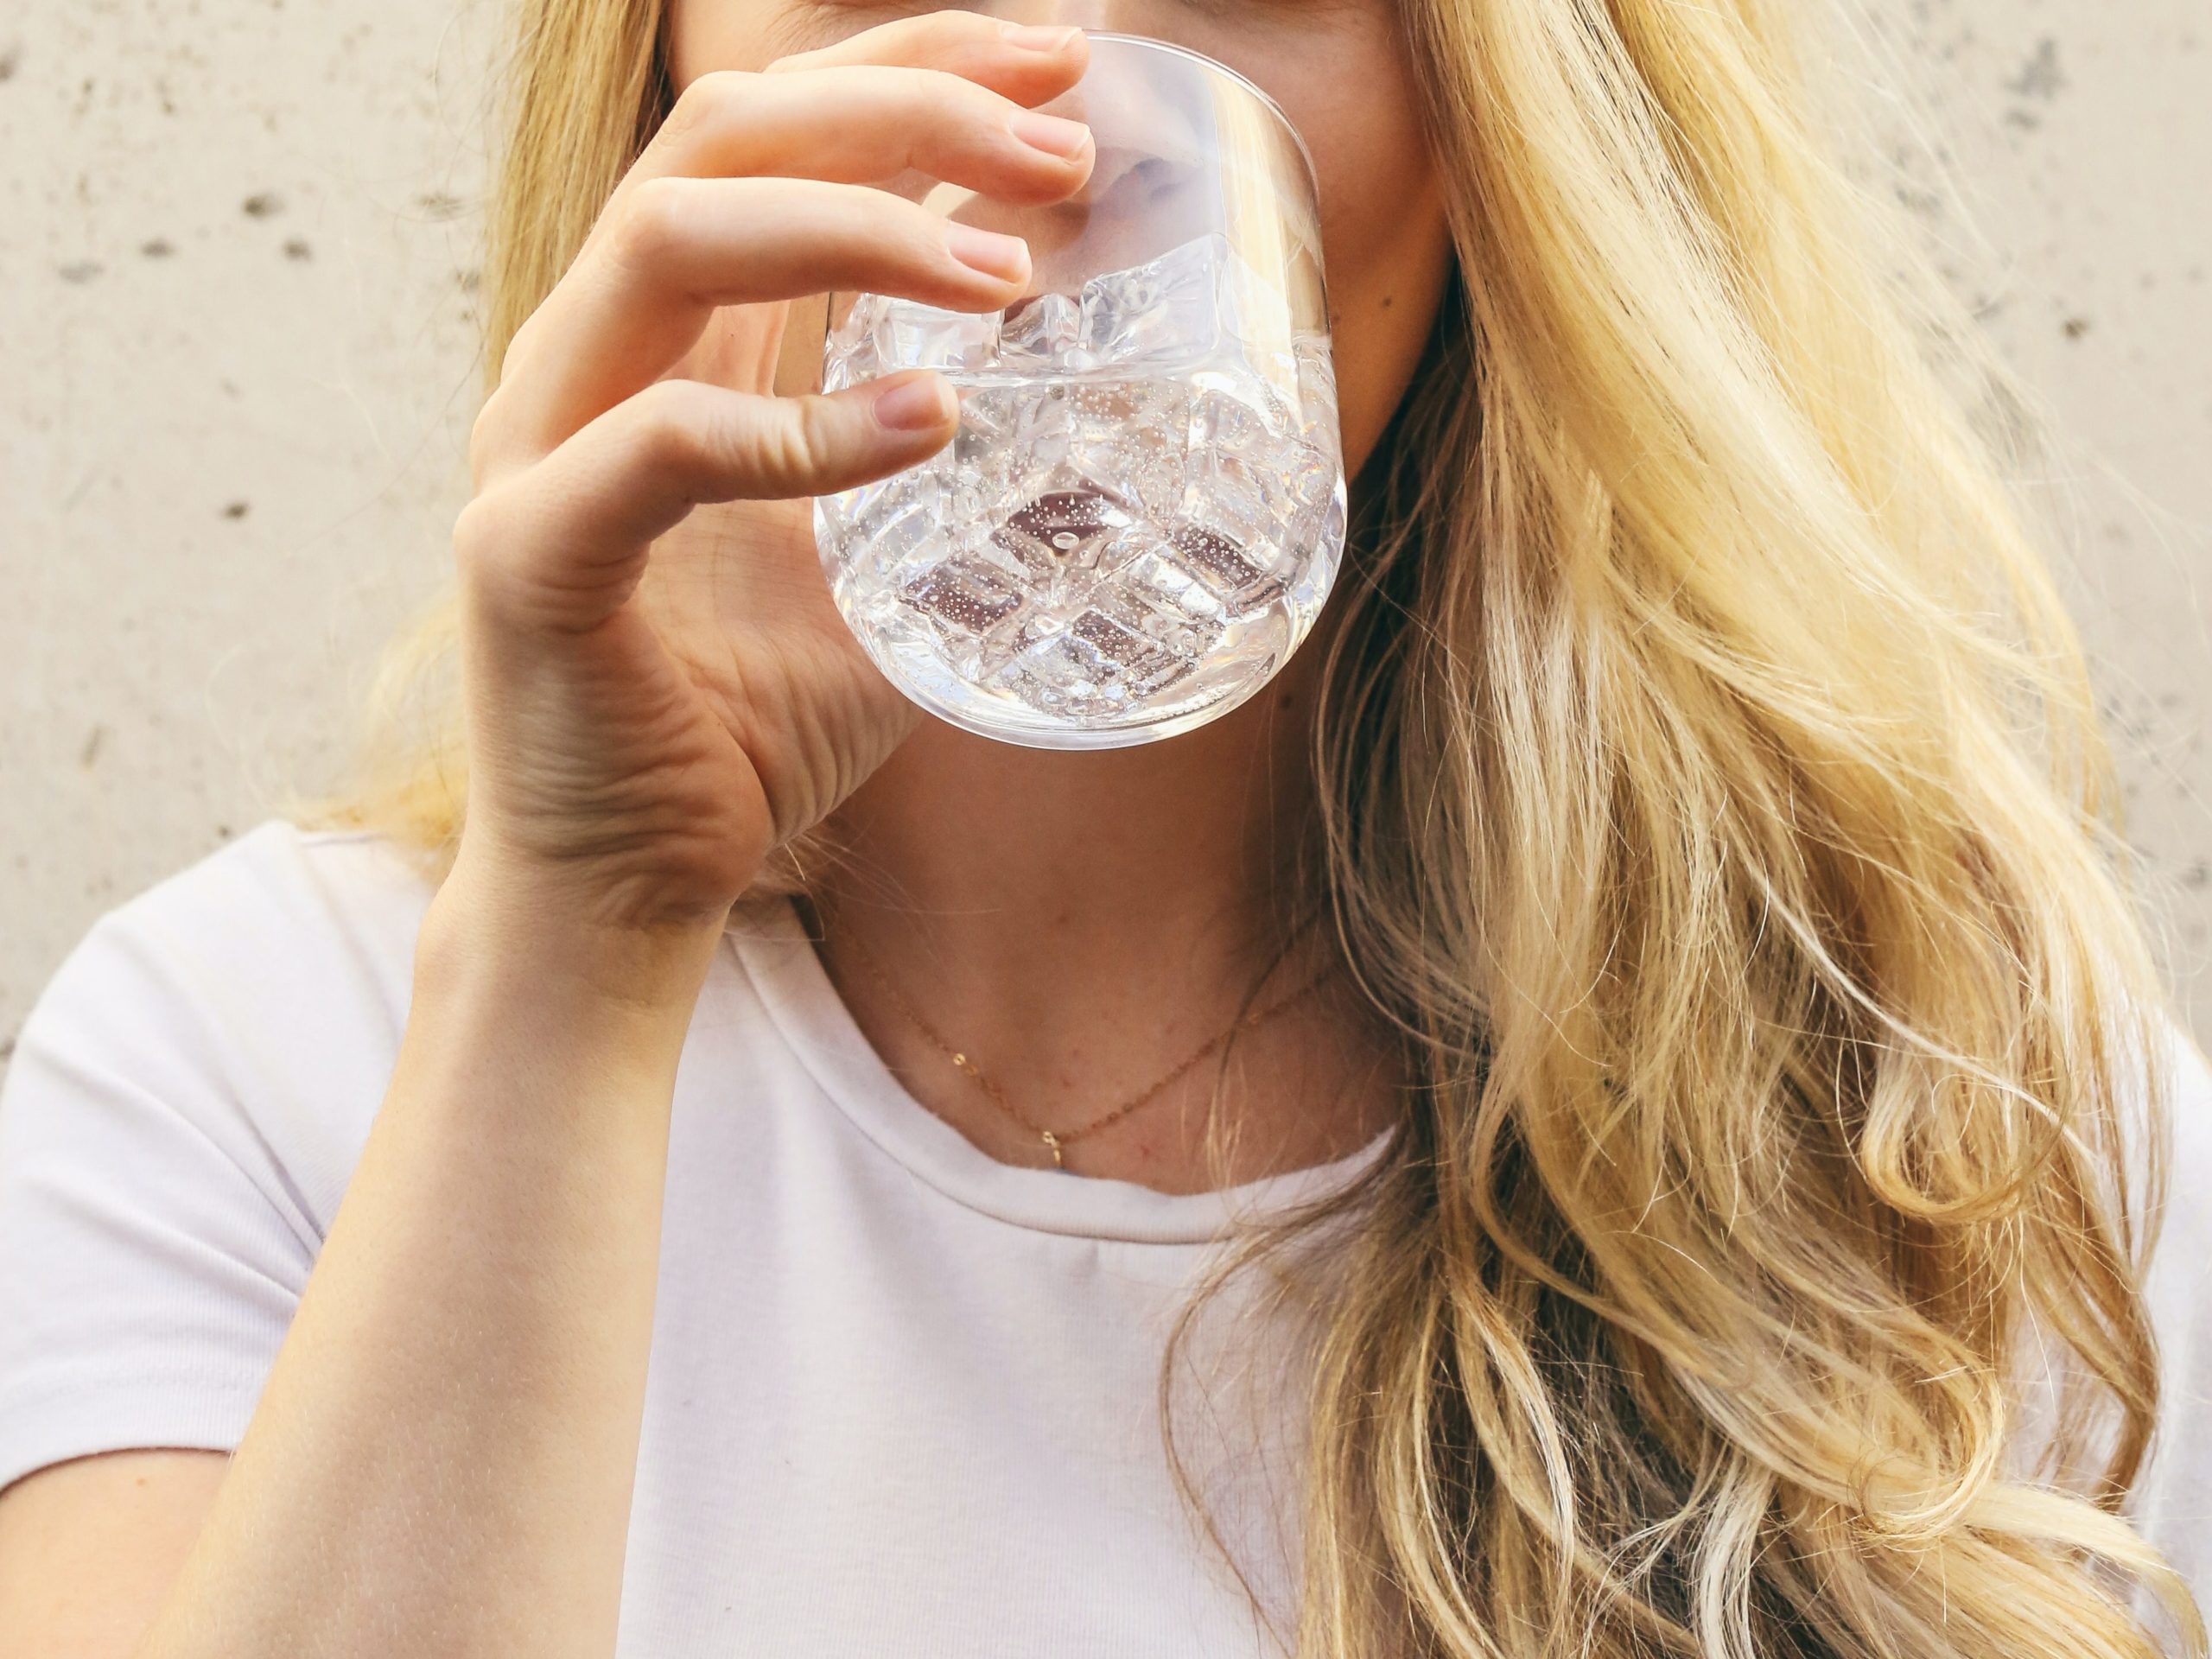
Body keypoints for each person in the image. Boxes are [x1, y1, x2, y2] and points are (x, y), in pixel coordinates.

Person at [0, 4, 2206, 1656]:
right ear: (665, 55)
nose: (1053, 140)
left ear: (1499, 120)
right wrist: (580, 949)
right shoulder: (249, 1073)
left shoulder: (1950, 1121)